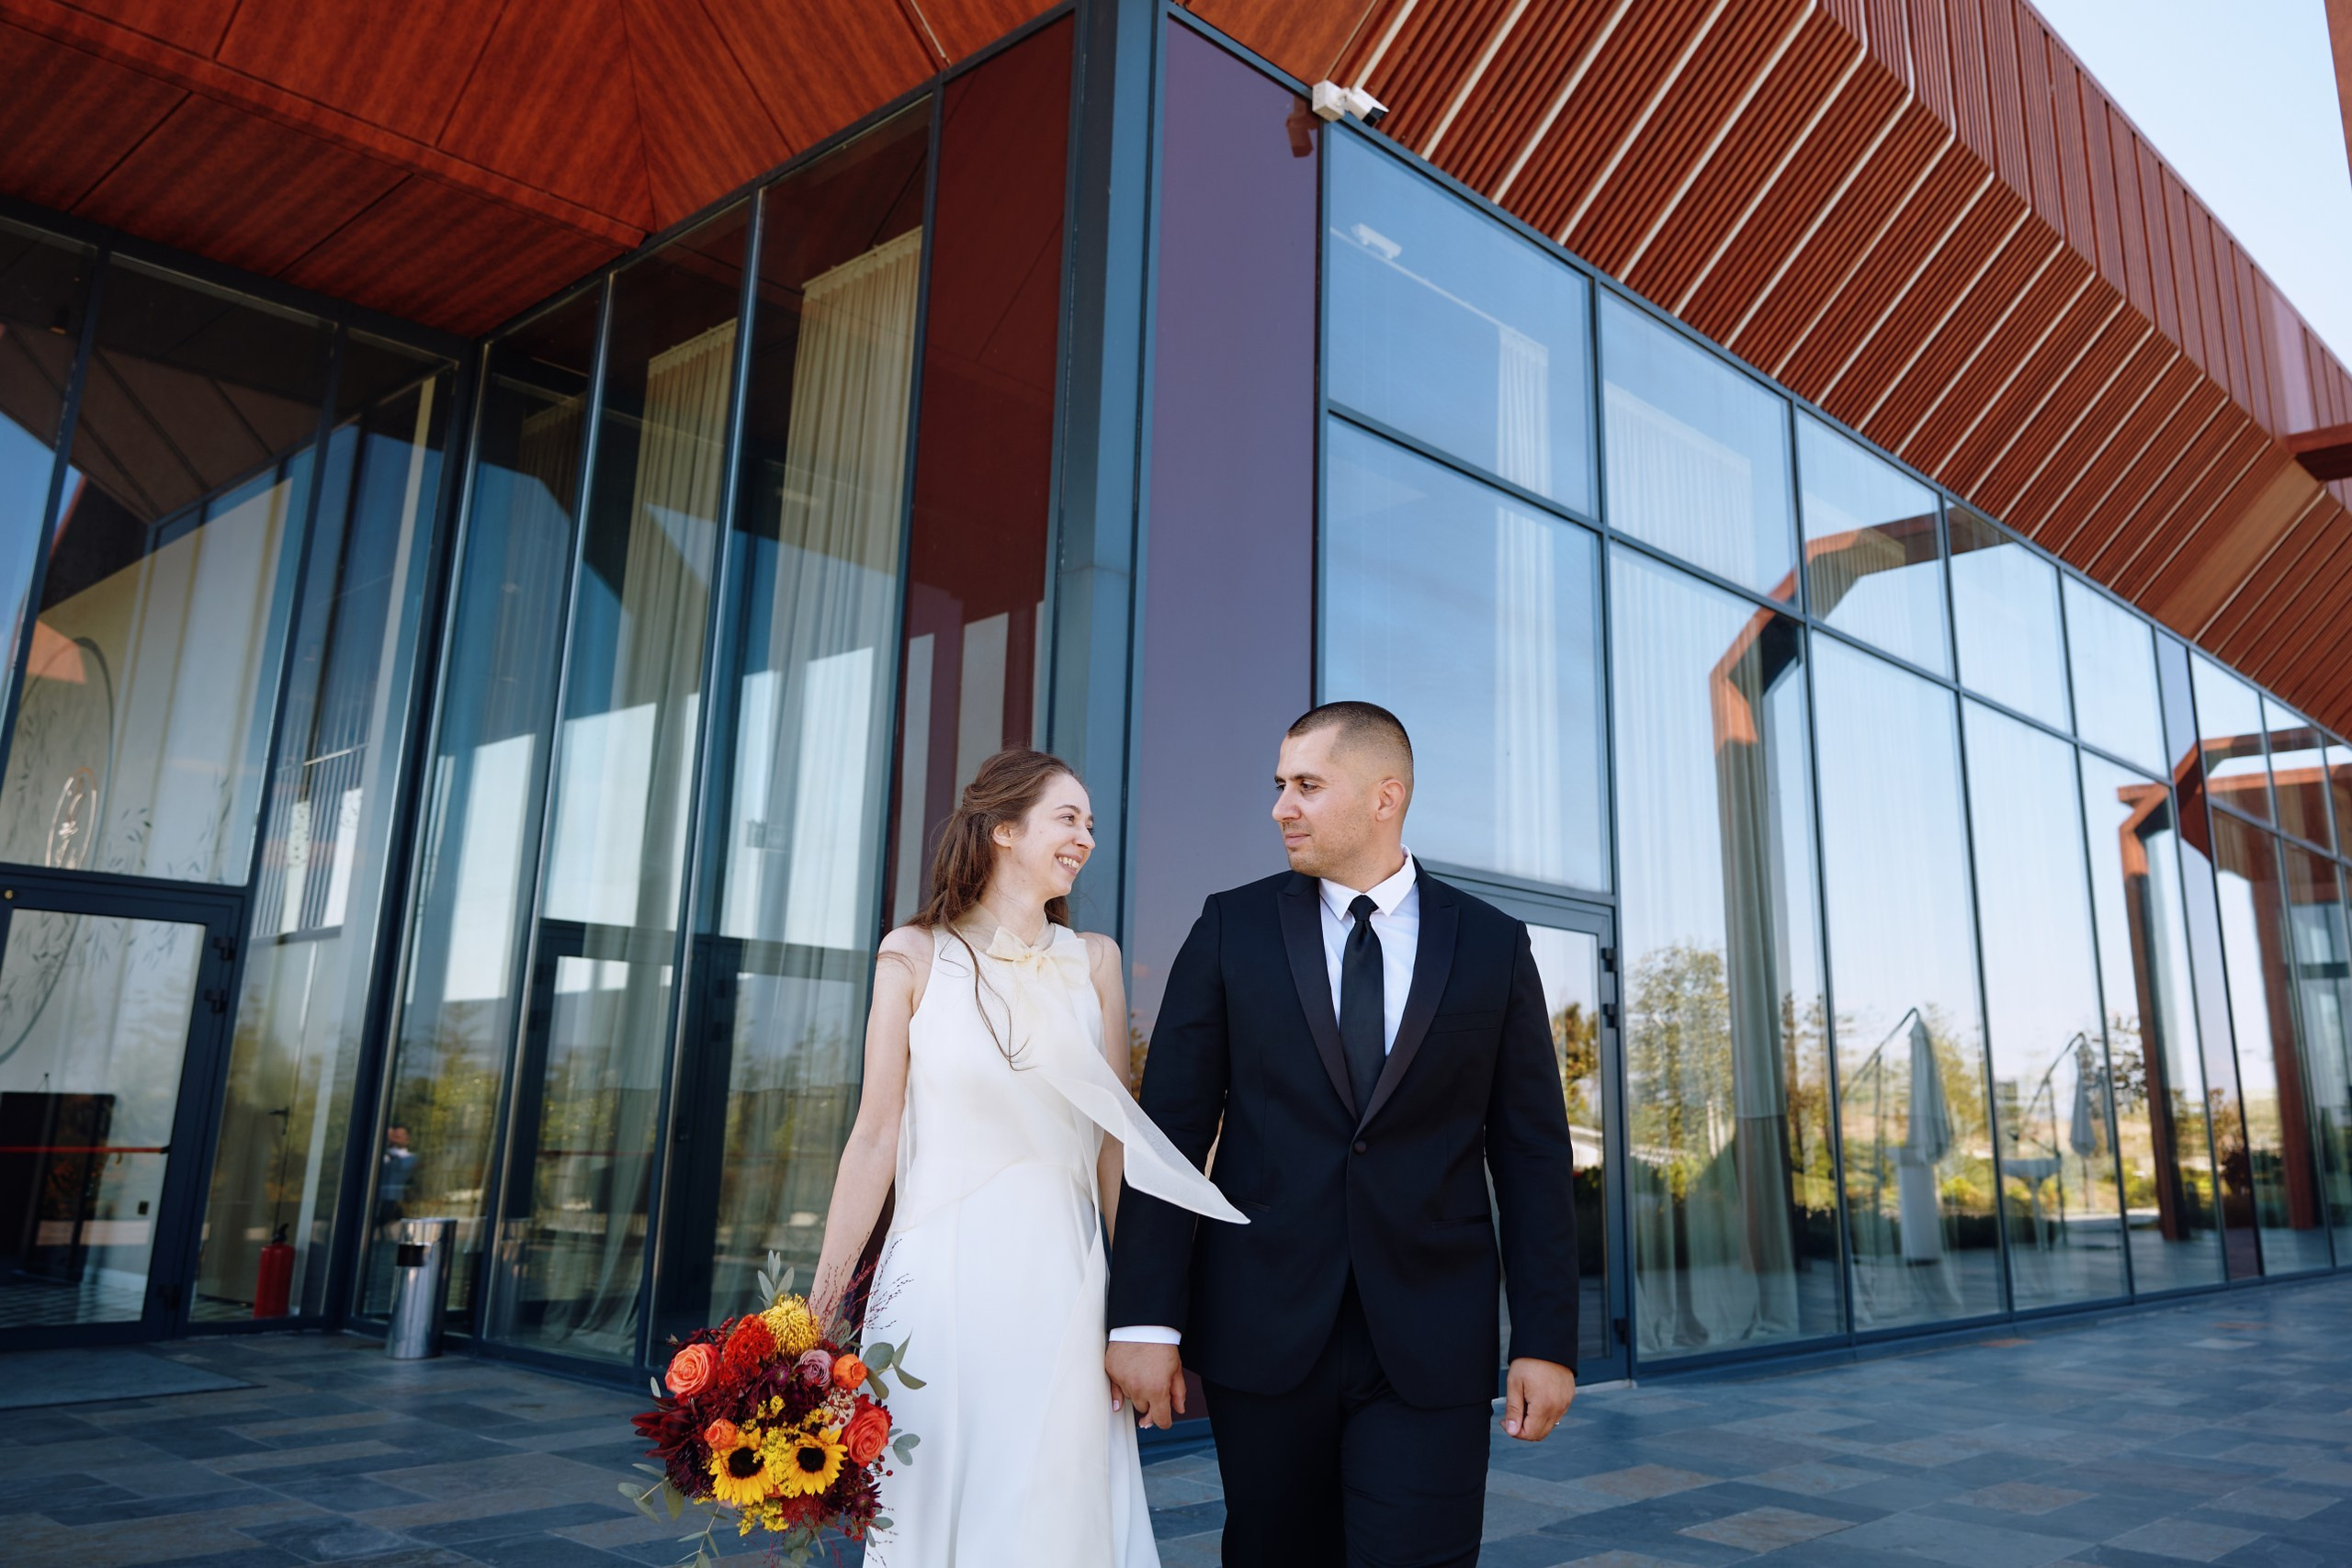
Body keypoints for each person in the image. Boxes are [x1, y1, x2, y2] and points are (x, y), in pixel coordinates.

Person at [1106, 701, 1581, 1568]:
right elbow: (1168, 1131)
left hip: (1432, 1340)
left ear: (1383, 797)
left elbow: (1532, 1153)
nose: (1281, 806)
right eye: (1279, 786)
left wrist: (1547, 1337)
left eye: (1306, 786)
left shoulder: (1493, 945)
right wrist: (1145, 1317)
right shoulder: (1230, 927)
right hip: (1265, 1331)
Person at [807, 747, 1244, 1567]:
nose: (1085, 837)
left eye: (1089, 822)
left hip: (1063, 1283)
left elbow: (1116, 1144)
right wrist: (821, 1312)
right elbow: (873, 1135)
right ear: (1004, 828)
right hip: (936, 1284)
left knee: (1060, 1499)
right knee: (932, 1494)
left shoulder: (1098, 962)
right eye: (1067, 817)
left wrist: (1144, 1305)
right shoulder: (912, 954)